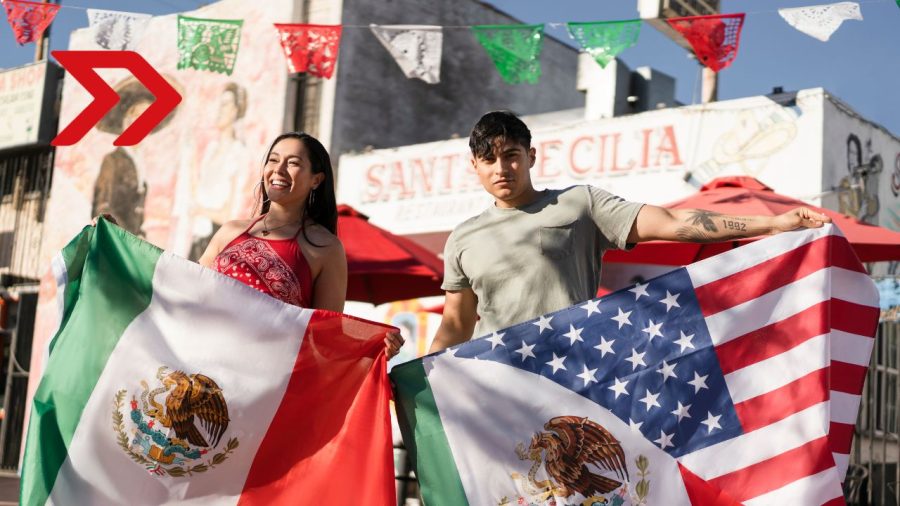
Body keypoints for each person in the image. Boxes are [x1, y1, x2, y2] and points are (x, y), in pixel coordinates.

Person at [429, 111, 832, 353]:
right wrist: (417, 383)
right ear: (475, 166)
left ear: (530, 156)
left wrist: (775, 224)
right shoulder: (464, 237)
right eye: (489, 160)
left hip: (569, 371)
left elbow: (672, 223)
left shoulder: (579, 203)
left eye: (511, 156)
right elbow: (455, 326)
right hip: (494, 380)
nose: (501, 169)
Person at [197, 132, 403, 357]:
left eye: (293, 163)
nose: (278, 169)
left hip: (264, 377)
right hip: (204, 362)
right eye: (273, 160)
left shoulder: (325, 248)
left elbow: (326, 336)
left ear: (316, 179)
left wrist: (374, 347)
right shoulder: (230, 231)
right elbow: (190, 291)